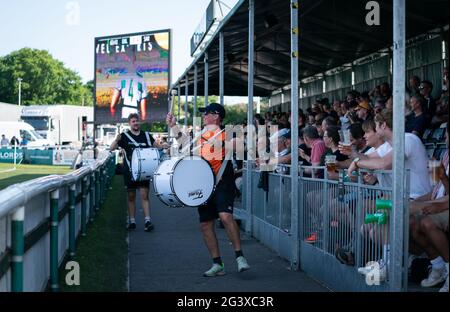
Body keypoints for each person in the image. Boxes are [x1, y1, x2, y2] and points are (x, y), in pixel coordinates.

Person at [166, 103, 250, 277]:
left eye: (206, 114)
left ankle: (239, 256)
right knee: (205, 224)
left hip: (223, 182)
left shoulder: (227, 133)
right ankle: (217, 263)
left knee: (225, 216)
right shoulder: (199, 135)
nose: (204, 116)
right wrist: (173, 125)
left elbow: (240, 144)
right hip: (203, 184)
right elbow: (183, 143)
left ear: (216, 116)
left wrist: (219, 142)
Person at [110, 113, 168, 232]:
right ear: (129, 123)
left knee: (144, 195)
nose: (135, 123)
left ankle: (147, 221)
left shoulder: (146, 135)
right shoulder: (124, 136)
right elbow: (111, 148)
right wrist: (116, 140)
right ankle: (132, 221)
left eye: (137, 121)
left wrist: (164, 145)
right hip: (129, 171)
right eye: (133, 121)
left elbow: (156, 145)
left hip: (144, 171)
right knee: (131, 196)